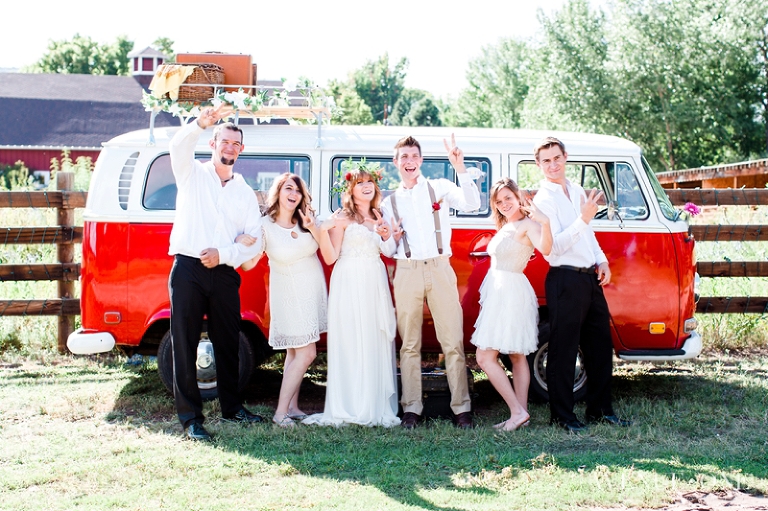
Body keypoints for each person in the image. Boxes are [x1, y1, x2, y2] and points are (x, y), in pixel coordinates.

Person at [168, 104, 265, 442]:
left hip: (224, 272)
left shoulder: (245, 193)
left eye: (235, 144)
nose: (229, 148)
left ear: (241, 150)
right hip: (188, 269)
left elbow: (255, 242)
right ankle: (191, 419)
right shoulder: (192, 174)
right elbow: (177, 147)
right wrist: (199, 123)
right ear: (212, 144)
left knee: (228, 342)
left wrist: (225, 252)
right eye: (224, 141)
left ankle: (232, 408)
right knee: (185, 342)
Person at [380, 134, 481, 429]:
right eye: (404, 157)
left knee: (451, 340)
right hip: (407, 270)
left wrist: (459, 167)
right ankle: (411, 408)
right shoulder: (390, 202)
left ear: (421, 160)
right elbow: (386, 249)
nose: (409, 162)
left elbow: (472, 204)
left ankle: (461, 408)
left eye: (414, 156)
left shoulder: (439, 187)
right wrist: (391, 236)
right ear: (395, 163)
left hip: (439, 267)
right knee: (409, 343)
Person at [531, 136, 631, 433]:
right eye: (546, 160)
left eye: (556, 157)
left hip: (589, 277)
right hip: (564, 278)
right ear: (539, 165)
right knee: (563, 349)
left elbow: (588, 234)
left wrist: (601, 260)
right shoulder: (542, 200)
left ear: (565, 157)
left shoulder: (575, 190)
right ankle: (562, 416)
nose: (553, 164)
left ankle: (601, 411)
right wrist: (584, 217)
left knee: (600, 345)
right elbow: (554, 248)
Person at [302, 160, 400, 428]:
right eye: (360, 183)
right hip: (348, 279)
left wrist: (387, 235)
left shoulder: (381, 217)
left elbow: (389, 251)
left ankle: (374, 403)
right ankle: (350, 404)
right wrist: (321, 229)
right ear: (351, 189)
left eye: (370, 182)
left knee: (374, 336)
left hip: (374, 280)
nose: (367, 187)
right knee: (350, 339)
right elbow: (330, 257)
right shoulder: (342, 217)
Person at [239, 173, 327, 428]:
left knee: (294, 352)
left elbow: (325, 246)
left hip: (311, 292)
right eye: (289, 188)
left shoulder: (305, 219)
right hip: (289, 295)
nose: (294, 194)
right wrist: (241, 244)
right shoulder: (264, 225)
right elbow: (249, 263)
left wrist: (314, 227)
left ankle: (293, 406)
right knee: (307, 353)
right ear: (278, 192)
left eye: (298, 191)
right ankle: (280, 413)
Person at [470, 177, 552, 431]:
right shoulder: (507, 224)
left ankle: (516, 412)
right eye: (499, 200)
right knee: (517, 356)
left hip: (510, 292)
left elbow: (547, 249)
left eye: (508, 198)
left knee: (484, 357)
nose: (504, 203)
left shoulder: (528, 224)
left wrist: (545, 222)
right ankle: (521, 415)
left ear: (518, 197)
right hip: (501, 291)